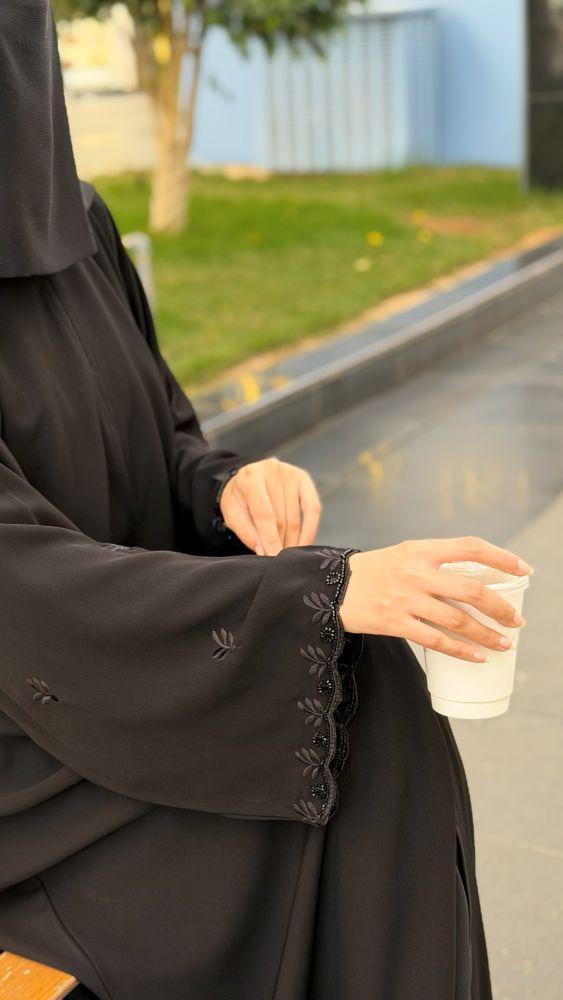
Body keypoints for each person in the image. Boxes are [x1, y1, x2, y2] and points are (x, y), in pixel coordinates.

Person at [0, 4, 531, 998]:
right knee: (334, 751)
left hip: (134, 681)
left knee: (368, 692)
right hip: (29, 753)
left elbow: (166, 436)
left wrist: (229, 484)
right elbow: (24, 587)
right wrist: (322, 592)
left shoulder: (79, 225)